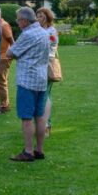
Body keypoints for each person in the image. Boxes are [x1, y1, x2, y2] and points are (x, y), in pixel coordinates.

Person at [5, 6, 50, 162]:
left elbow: (10, 53)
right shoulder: (44, 33)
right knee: (40, 116)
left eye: (18, 20)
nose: (17, 23)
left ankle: (28, 151)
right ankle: (39, 150)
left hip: (27, 80)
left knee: (26, 117)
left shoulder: (27, 34)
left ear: (24, 20)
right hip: (42, 79)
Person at [36, 7, 58, 137]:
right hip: (38, 66)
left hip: (46, 66)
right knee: (42, 95)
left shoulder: (51, 31)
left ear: (47, 17)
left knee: (45, 95)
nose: (39, 18)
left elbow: (49, 48)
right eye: (37, 15)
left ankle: (46, 126)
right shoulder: (39, 30)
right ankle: (42, 125)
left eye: (41, 15)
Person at [0, 5, 15, 114]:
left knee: (1, 81)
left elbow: (12, 41)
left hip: (5, 57)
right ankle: (3, 103)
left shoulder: (4, 25)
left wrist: (12, 55)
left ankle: (5, 105)